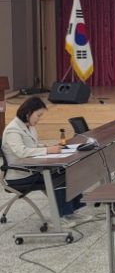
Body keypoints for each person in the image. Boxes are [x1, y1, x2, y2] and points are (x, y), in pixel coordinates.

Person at [1, 96, 86, 226]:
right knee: (58, 177)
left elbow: (33, 147)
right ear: (28, 113)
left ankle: (72, 211)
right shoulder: (13, 129)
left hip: (33, 170)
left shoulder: (29, 126)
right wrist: (47, 150)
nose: (39, 119)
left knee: (68, 171)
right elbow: (21, 152)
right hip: (20, 175)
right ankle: (62, 215)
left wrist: (48, 147)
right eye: (38, 115)